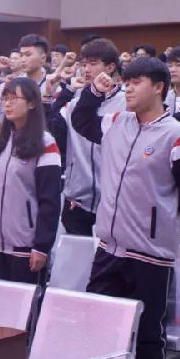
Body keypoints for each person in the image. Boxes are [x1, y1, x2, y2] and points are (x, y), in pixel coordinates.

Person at [72, 57, 180, 359]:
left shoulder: (178, 136)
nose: (127, 88)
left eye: (136, 82)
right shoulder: (117, 121)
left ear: (158, 87)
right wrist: (93, 92)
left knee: (148, 328)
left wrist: (168, 231)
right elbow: (81, 121)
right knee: (99, 317)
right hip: (109, 246)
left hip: (150, 253)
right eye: (126, 82)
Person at [0, 78, 62, 284]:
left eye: (14, 98)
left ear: (32, 103)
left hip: (26, 245)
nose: (7, 104)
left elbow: (50, 200)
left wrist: (41, 246)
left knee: (26, 303)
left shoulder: (45, 142)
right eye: (4, 99)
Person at [52, 38, 125, 235]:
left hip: (114, 202)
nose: (86, 69)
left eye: (93, 64)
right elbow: (51, 125)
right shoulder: (75, 103)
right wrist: (65, 89)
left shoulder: (126, 103)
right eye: (84, 64)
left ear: (110, 67)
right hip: (77, 200)